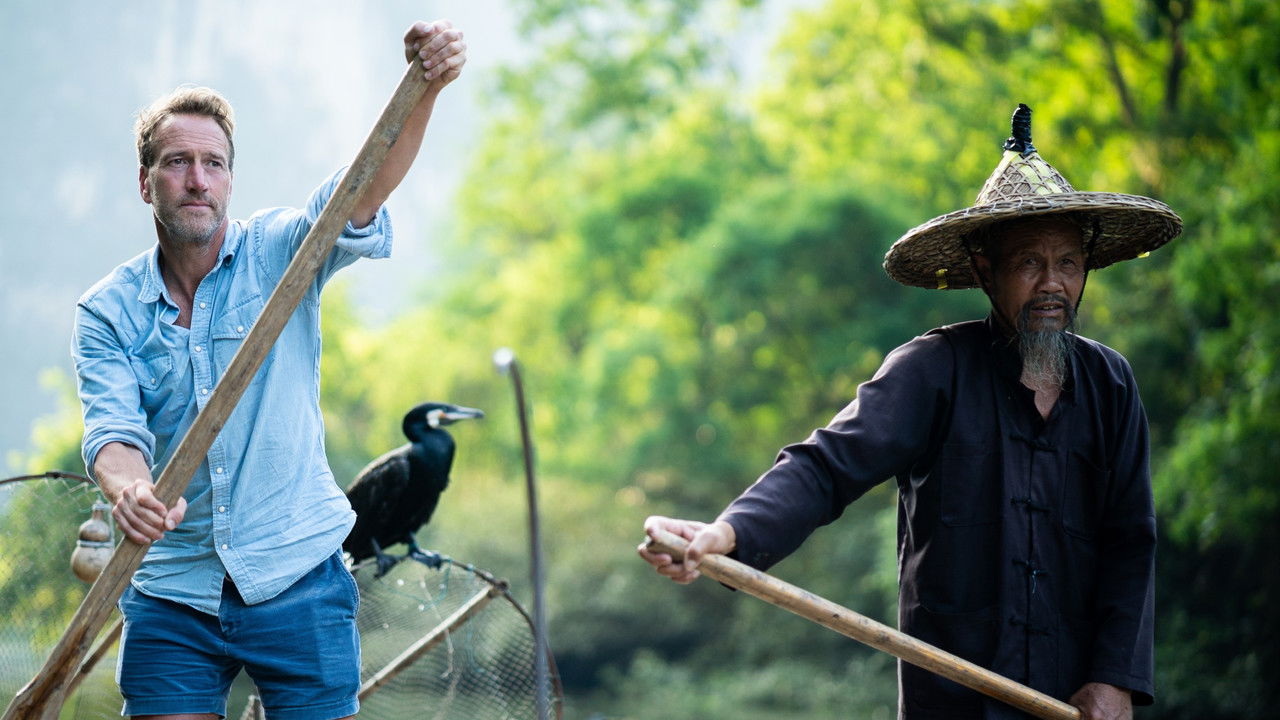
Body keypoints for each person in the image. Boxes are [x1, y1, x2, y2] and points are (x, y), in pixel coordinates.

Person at [639, 104, 1182, 720]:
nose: (1052, 283)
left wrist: (1116, 680)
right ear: (985, 269)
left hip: (1073, 705)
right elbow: (825, 468)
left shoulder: (1111, 385)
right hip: (951, 708)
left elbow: (1130, 542)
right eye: (1030, 263)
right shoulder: (933, 371)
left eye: (1068, 263)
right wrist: (729, 533)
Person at [70, 20, 466, 720]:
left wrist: (424, 87)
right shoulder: (107, 311)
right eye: (176, 162)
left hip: (298, 575)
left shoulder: (282, 250)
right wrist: (130, 490)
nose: (197, 180)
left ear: (230, 177)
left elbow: (362, 189)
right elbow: (114, 431)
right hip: (172, 590)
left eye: (214, 163)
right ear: (145, 182)